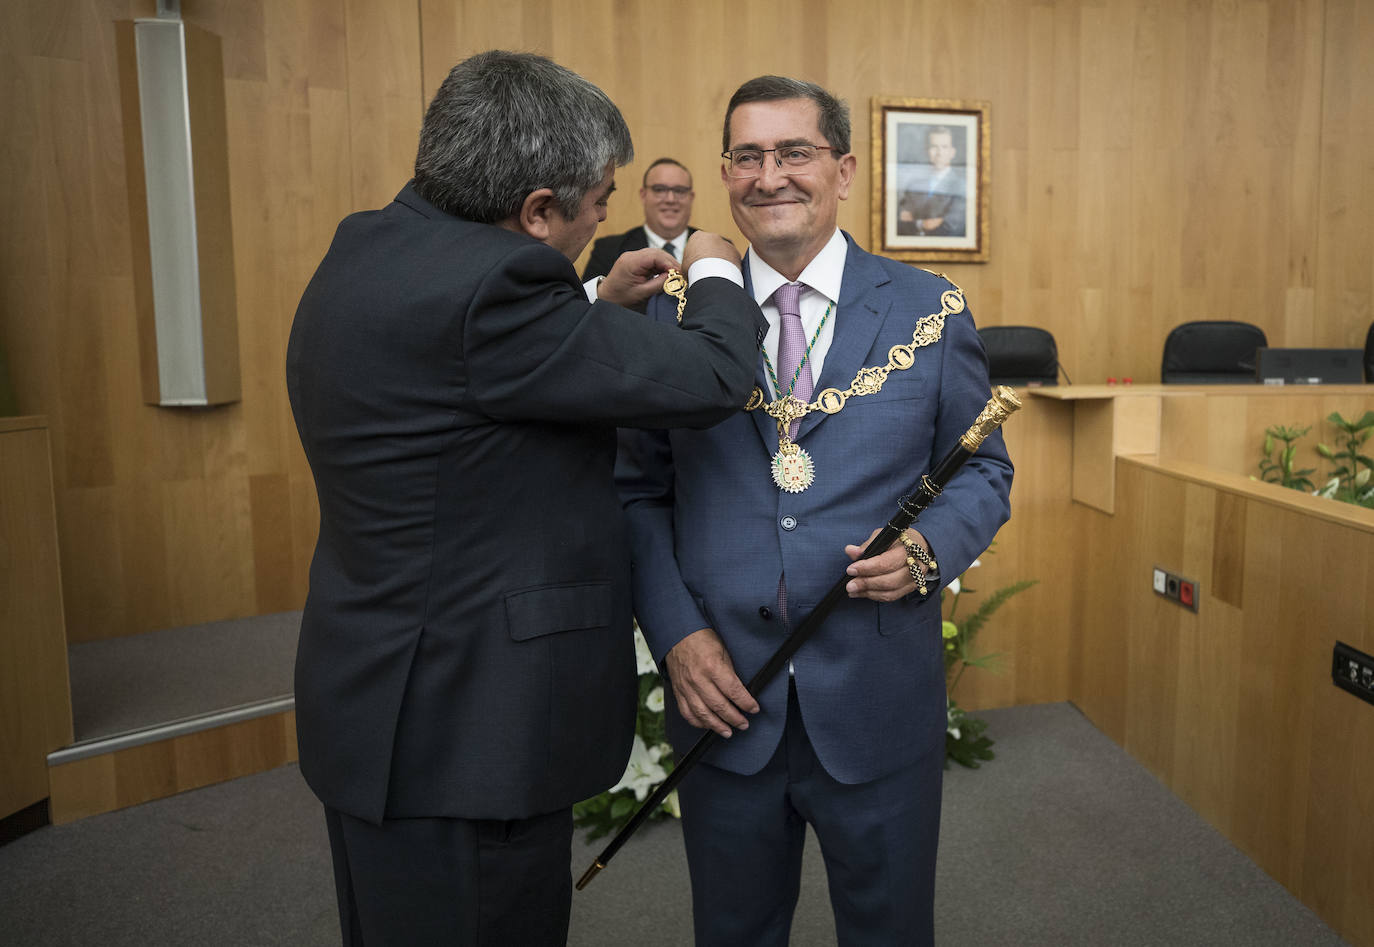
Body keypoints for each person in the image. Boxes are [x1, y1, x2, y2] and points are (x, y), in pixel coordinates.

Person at [285, 50, 766, 946]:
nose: (606, 221)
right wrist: (713, 264)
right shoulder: (497, 292)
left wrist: (591, 300)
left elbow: (467, 380)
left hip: (380, 700)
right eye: (598, 205)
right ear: (537, 211)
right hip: (467, 739)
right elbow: (715, 374)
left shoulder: (372, 241)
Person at [618, 76, 1012, 945]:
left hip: (876, 698)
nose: (771, 177)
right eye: (749, 157)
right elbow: (636, 493)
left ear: (843, 169)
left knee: (890, 929)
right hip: (725, 700)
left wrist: (926, 549)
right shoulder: (670, 315)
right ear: (725, 173)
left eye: (794, 153)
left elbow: (984, 471)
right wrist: (677, 635)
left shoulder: (929, 309)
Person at [581, 157, 697, 306]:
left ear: (691, 197)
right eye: (660, 190)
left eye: (679, 191)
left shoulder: (715, 250)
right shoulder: (608, 250)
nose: (670, 199)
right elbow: (585, 309)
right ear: (643, 195)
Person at [897, 125, 967, 237]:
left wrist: (915, 222)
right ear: (927, 151)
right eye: (934, 147)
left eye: (944, 147)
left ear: (952, 152)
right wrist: (924, 224)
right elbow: (900, 223)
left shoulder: (960, 186)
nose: (939, 153)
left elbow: (951, 228)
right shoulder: (915, 186)